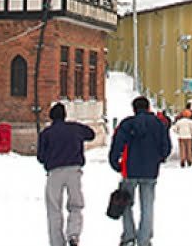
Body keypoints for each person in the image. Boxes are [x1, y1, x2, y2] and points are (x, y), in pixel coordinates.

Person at [109, 96, 171, 246]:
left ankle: (129, 236)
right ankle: (144, 239)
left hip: (129, 169)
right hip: (150, 170)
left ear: (134, 109)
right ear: (149, 107)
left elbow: (117, 144)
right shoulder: (158, 124)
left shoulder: (127, 124)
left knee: (125, 202)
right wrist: (159, 158)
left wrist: (114, 161)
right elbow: (166, 146)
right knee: (147, 206)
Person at [37, 102, 96, 246]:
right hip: (74, 170)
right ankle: (73, 234)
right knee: (76, 205)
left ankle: (57, 242)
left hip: (54, 172)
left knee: (54, 207)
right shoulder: (75, 128)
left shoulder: (46, 133)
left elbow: (40, 156)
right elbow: (91, 134)